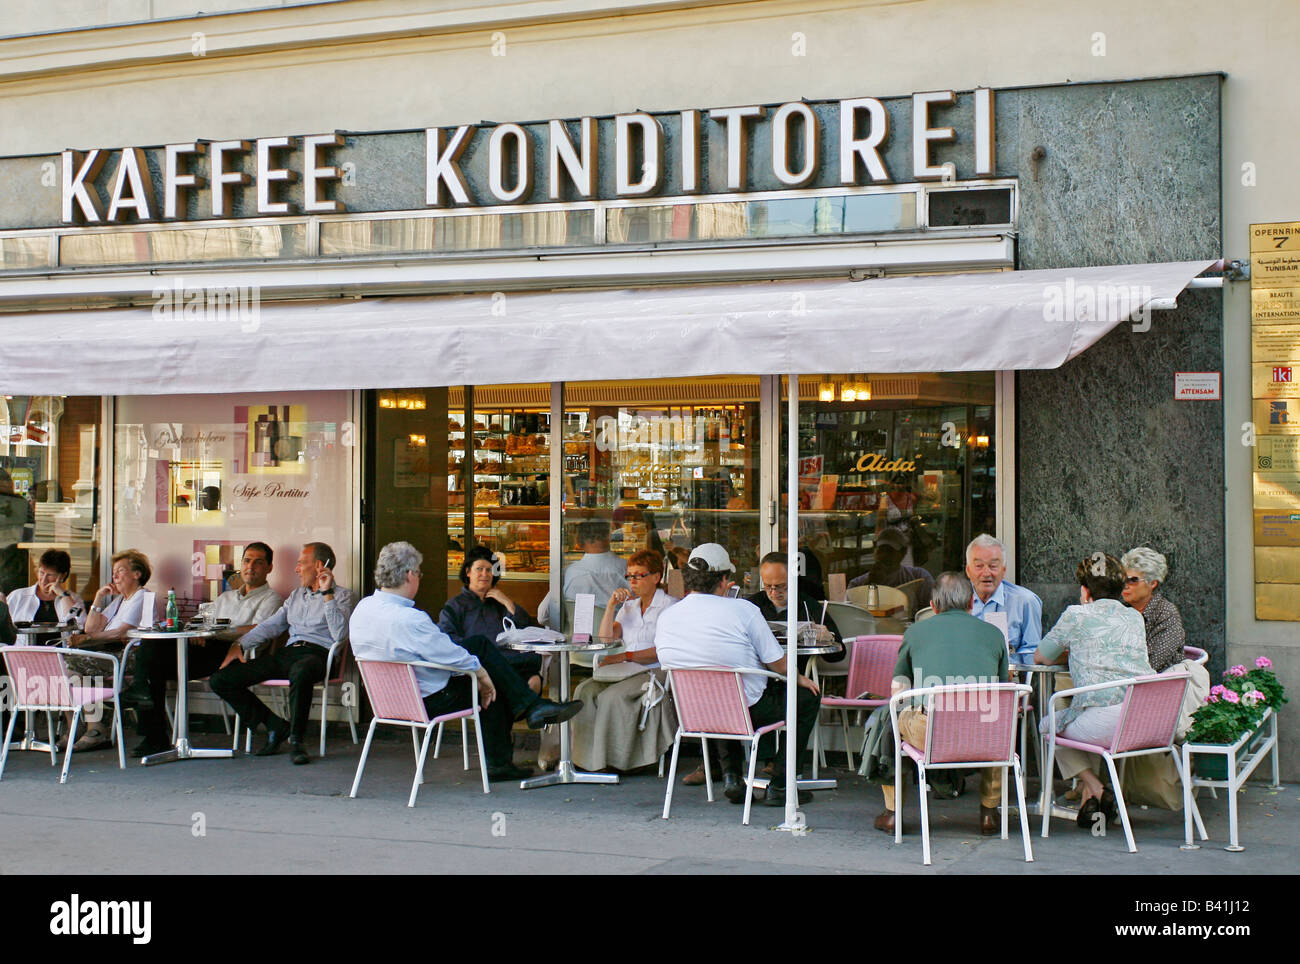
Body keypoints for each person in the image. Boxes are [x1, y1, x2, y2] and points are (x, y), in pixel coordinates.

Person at [349, 542, 582, 782]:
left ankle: (529, 713)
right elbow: (447, 654)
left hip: (388, 700)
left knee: (481, 649)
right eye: (419, 573)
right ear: (409, 575)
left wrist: (479, 670)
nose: (419, 579)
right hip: (429, 699)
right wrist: (480, 673)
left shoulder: (362, 610)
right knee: (493, 680)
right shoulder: (409, 619)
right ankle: (514, 739)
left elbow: (443, 651)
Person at [654, 543, 820, 809]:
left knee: (716, 695)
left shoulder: (667, 616)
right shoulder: (743, 610)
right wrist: (799, 677)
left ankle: (732, 776)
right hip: (746, 710)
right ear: (723, 581)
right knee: (807, 699)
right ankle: (780, 784)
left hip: (691, 713)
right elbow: (777, 663)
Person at [863, 572, 1010, 836]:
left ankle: (893, 813)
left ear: (933, 606)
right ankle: (989, 813)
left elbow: (898, 690)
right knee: (993, 722)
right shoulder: (995, 634)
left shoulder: (917, 631)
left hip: (932, 734)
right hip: (984, 738)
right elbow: (1002, 691)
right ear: (971, 604)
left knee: (888, 718)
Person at [121, 542, 284, 757]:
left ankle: (143, 702)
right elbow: (197, 622)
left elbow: (260, 629)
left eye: (258, 562)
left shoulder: (271, 598)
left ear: (269, 568)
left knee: (153, 661)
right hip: (207, 648)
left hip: (236, 652)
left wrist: (218, 631)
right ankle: (155, 734)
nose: (250, 567)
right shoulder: (226, 597)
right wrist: (198, 632)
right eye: (246, 561)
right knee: (154, 651)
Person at [1035, 553, 1155, 828]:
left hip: (1105, 721)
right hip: (1143, 718)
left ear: (1085, 590)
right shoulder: (1135, 618)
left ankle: (1098, 788)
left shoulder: (1076, 615)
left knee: (1049, 726)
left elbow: (1041, 657)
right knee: (1081, 720)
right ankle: (1091, 804)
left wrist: (1074, 646)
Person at [209, 542, 353, 766]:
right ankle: (275, 726)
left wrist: (327, 594)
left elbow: (340, 634)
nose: (296, 569)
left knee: (301, 670)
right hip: (290, 653)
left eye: (300, 563)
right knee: (222, 679)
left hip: (320, 655)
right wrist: (240, 644)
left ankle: (297, 741)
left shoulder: (342, 596)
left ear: (318, 566)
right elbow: (272, 625)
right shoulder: (296, 596)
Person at [570, 549, 677, 772]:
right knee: (584, 691)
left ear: (656, 577)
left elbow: (663, 651)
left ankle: (613, 761)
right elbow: (607, 638)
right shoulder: (629, 607)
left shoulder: (670, 606)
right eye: (629, 576)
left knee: (611, 697)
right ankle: (584, 758)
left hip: (653, 671)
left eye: (639, 575)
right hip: (624, 670)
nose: (633, 581)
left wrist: (624, 656)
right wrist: (610, 606)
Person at [60, 549, 155, 752]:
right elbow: (91, 627)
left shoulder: (142, 597)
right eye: (114, 572)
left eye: (121, 570)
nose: (115, 576)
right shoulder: (119, 600)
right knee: (68, 669)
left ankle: (88, 728)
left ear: (137, 574)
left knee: (70, 665)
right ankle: (89, 728)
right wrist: (97, 597)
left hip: (130, 656)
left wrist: (87, 639)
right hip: (110, 654)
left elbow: (120, 632)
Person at [440, 545, 544, 692]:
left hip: (507, 661)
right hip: (477, 666)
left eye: (489, 570)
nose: (485, 574)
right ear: (468, 572)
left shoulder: (498, 604)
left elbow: (524, 628)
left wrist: (507, 602)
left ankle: (524, 711)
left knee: (534, 679)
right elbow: (448, 639)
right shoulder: (455, 605)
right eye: (479, 569)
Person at [965, 533, 1043, 660]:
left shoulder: (1025, 601)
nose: (986, 573)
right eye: (979, 566)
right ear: (968, 571)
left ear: (1004, 570)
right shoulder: (957, 600)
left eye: (993, 566)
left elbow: (1031, 651)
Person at [541, 519, 628, 629]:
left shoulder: (569, 573)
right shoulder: (628, 570)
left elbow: (542, 616)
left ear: (579, 542)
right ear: (609, 538)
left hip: (576, 641)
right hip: (615, 639)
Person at [1120, 546, 1185, 673]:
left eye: (1133, 580)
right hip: (1122, 682)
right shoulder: (1122, 610)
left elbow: (1151, 664)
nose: (1125, 585)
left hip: (1158, 687)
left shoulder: (1166, 614)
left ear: (1152, 583)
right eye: (1122, 579)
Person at [848, 526, 934, 610]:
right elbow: (853, 613)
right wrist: (869, 583)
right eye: (881, 550)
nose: (884, 555)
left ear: (903, 552)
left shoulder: (919, 576)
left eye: (890, 550)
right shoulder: (856, 584)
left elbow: (930, 610)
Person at [5, 548, 85, 627]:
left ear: (63, 575)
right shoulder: (18, 596)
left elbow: (81, 622)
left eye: (50, 575)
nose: (44, 580)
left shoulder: (73, 598)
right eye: (42, 573)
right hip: (27, 640)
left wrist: (63, 595)